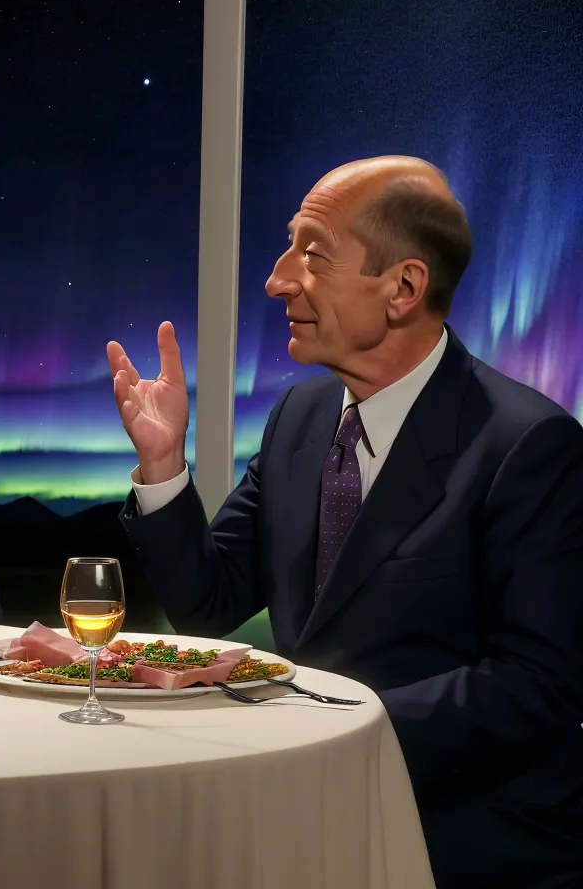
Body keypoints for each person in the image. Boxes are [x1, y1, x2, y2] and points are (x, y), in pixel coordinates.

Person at [107, 156, 583, 888]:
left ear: (404, 289)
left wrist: (330, 725)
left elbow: (536, 686)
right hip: (299, 814)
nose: (277, 279)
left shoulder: (528, 446)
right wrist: (165, 465)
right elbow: (210, 600)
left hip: (456, 837)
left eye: (312, 253)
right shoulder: (297, 418)